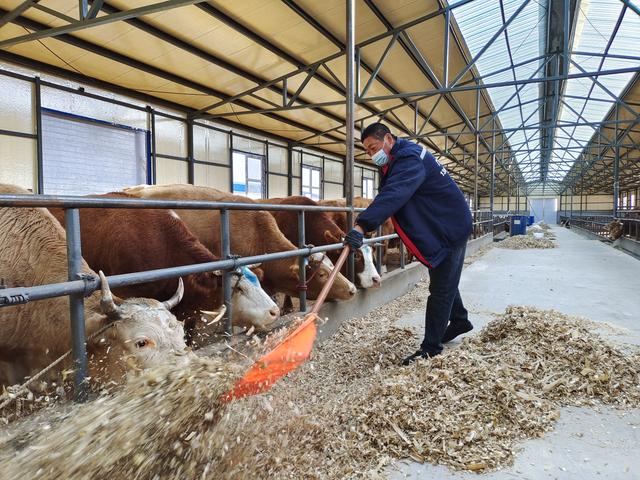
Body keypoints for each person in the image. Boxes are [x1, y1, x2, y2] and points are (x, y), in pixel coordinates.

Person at [343, 123, 473, 365]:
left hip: (449, 229)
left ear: (389, 139)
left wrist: (362, 225)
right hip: (441, 226)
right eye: (368, 151)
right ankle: (460, 320)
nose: (372, 154)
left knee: (441, 289)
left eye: (373, 147)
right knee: (444, 279)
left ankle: (431, 348)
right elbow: (390, 194)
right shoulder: (396, 160)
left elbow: (394, 193)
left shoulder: (408, 159)